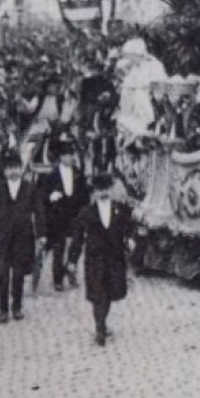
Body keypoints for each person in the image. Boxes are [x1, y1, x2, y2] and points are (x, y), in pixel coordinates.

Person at [67, 174, 134, 347]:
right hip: (95, 258)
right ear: (95, 191)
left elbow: (128, 228)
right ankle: (100, 328)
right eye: (100, 189)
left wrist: (130, 239)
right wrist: (72, 260)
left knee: (110, 292)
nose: (103, 193)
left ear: (111, 190)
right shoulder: (86, 212)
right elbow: (78, 238)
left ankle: (102, 322)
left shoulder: (120, 209)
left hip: (114, 257)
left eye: (106, 189)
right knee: (98, 293)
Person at [0, 151, 42, 325]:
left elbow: (39, 212)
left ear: (22, 169)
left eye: (16, 168)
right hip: (2, 238)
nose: (13, 171)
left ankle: (17, 307)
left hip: (23, 238)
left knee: (19, 273)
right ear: (4, 171)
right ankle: (3, 310)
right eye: (10, 168)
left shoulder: (30, 188)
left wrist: (41, 235)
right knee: (2, 274)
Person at [40, 144, 90, 291]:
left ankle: (71, 268)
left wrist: (84, 212)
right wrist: (51, 196)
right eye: (68, 155)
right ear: (61, 157)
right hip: (58, 214)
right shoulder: (51, 175)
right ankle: (58, 279)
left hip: (75, 214)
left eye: (72, 155)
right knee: (59, 247)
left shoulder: (78, 174)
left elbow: (85, 195)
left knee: (76, 245)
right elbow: (42, 195)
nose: (71, 158)